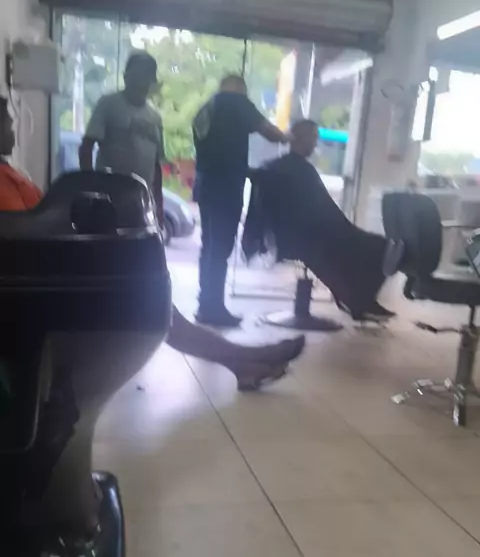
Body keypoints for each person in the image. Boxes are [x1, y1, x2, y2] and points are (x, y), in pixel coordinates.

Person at [0, 96, 304, 389]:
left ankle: (243, 360)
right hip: (36, 285)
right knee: (150, 300)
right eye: (8, 122)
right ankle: (244, 359)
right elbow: (24, 235)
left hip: (50, 273)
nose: (14, 128)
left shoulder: (9, 173)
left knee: (153, 296)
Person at [245, 119, 393, 321]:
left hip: (294, 234)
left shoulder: (277, 167)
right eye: (313, 138)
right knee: (379, 247)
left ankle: (354, 298)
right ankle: (358, 299)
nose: (315, 144)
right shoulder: (297, 170)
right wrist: (343, 228)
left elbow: (315, 210)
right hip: (303, 237)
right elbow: (321, 212)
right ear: (300, 139)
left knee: (354, 247)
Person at [193, 74, 289, 328]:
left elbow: (218, 153)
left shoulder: (206, 110)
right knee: (220, 248)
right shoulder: (235, 103)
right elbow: (270, 133)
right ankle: (213, 308)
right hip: (225, 189)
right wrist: (289, 137)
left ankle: (205, 304)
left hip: (206, 186)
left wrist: (245, 171)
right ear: (240, 90)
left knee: (210, 246)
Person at [79, 51, 164, 216]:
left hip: (142, 202)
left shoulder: (155, 118)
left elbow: (156, 165)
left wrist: (159, 205)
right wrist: (90, 189)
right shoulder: (108, 104)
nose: (141, 80)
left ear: (152, 81)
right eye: (137, 74)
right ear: (126, 76)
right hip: (109, 200)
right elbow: (86, 147)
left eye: (146, 75)